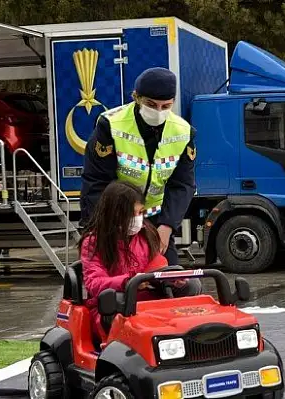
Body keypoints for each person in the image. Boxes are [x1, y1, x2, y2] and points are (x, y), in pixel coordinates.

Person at [81, 67, 196, 266]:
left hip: (154, 218)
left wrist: (167, 226)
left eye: (166, 106)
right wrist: (108, 225)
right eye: (151, 104)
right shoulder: (110, 125)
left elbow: (182, 185)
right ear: (137, 97)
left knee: (170, 278)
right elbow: (96, 182)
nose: (158, 112)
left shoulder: (183, 132)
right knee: (114, 278)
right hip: (111, 216)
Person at [80, 181, 199, 341]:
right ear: (115, 213)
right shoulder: (94, 242)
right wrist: (127, 282)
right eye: (133, 214)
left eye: (141, 213)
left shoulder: (146, 234)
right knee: (116, 301)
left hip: (149, 302)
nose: (138, 219)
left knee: (192, 284)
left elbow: (158, 265)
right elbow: (94, 283)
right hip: (113, 305)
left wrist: (172, 279)